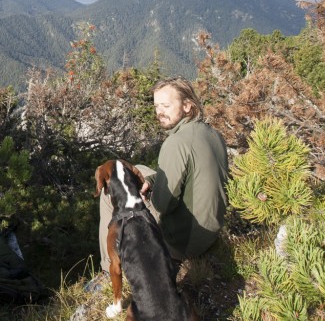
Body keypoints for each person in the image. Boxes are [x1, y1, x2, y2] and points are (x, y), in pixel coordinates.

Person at [94, 77, 229, 278]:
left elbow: (162, 205)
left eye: (166, 105)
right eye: (157, 106)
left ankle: (109, 270)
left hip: (183, 242)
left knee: (111, 189)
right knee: (138, 170)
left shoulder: (176, 143)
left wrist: (150, 194)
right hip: (211, 231)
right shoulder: (212, 133)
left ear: (187, 105)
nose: (159, 112)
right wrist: (151, 182)